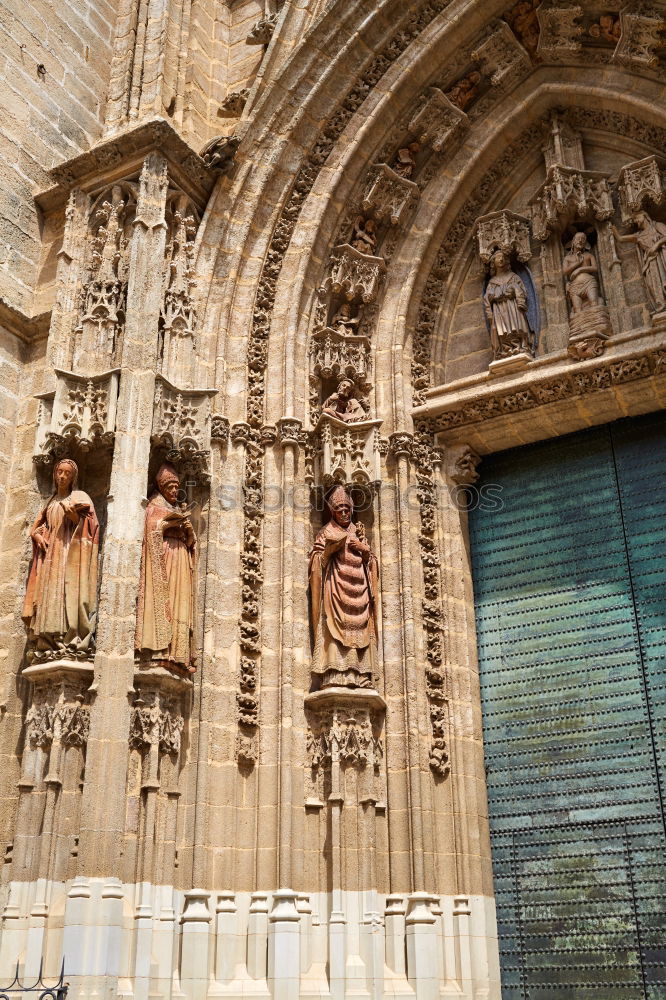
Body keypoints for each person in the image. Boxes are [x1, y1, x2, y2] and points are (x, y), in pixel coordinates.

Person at [23, 458, 99, 660]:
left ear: (73, 477)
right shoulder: (51, 501)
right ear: (55, 475)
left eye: (67, 473)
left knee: (67, 593)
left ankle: (67, 639)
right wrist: (37, 535)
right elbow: (35, 527)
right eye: (60, 472)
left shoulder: (79, 496)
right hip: (51, 556)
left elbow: (90, 526)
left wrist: (73, 515)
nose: (63, 476)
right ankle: (47, 640)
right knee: (50, 594)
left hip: (69, 553)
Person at [308, 486, 378, 690]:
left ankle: (361, 674)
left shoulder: (358, 532)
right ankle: (334, 673)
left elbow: (371, 562)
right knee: (335, 628)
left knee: (360, 633)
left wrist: (365, 551)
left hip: (359, 589)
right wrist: (331, 549)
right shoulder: (326, 532)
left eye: (347, 509)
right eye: (340, 509)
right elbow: (316, 561)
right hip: (335, 589)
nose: (345, 513)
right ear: (332, 512)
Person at [135, 463, 196, 675]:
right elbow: (151, 529)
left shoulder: (176, 508)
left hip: (180, 557)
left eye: (176, 487)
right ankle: (160, 651)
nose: (173, 491)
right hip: (165, 556)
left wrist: (188, 530)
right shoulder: (154, 505)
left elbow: (191, 543)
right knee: (165, 600)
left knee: (180, 603)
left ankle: (178, 653)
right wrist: (168, 525)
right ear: (161, 487)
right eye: (169, 487)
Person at [483, 250, 533, 358]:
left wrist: (515, 289)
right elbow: (487, 297)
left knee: (517, 327)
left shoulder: (513, 277)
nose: (501, 259)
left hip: (513, 308)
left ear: (506, 261)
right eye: (498, 258)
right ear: (493, 262)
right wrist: (495, 296)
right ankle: (506, 349)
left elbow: (523, 291)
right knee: (503, 331)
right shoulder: (492, 282)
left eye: (503, 257)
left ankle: (521, 346)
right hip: (500, 310)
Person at [613, 211, 666, 313]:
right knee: (652, 283)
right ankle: (661, 303)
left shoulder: (656, 226)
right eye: (634, 220)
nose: (636, 221)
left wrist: (656, 245)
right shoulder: (639, 235)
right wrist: (612, 228)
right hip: (650, 261)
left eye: (637, 218)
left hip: (661, 257)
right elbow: (620, 238)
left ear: (645, 216)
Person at [563, 233, 602, 314]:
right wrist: (577, 263)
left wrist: (580, 269)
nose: (580, 241)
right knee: (578, 310)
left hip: (589, 283)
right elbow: (565, 271)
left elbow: (595, 268)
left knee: (594, 304)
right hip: (575, 287)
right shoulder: (567, 258)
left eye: (583, 239)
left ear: (585, 243)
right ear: (573, 241)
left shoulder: (589, 255)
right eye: (578, 238)